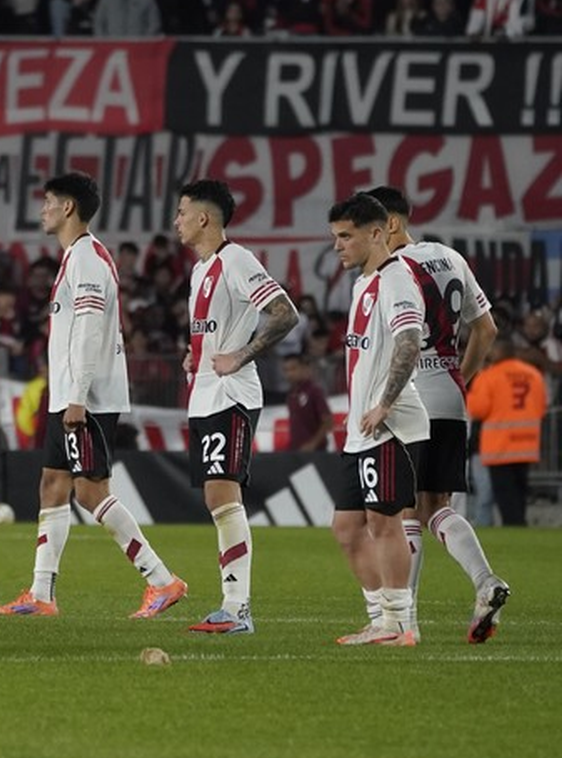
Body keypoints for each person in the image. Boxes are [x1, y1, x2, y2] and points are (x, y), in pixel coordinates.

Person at [0, 172, 186, 619]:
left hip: (87, 398)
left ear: (69, 208)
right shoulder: (76, 257)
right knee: (52, 485)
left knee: (91, 493)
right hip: (70, 396)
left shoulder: (88, 259)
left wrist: (76, 396)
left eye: (49, 202)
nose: (43, 210)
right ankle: (41, 595)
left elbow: (93, 331)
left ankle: (161, 579)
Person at [368, 185, 507, 644]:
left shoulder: (392, 270)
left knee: (406, 511)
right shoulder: (451, 257)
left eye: (372, 227)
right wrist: (460, 376)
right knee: (437, 508)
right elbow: (486, 329)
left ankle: (404, 622)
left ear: (391, 224)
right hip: (449, 393)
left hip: (410, 395)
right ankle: (486, 582)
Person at [175, 179, 298, 634]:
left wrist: (241, 354)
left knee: (224, 493)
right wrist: (199, 354)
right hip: (205, 392)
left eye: (182, 213)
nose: (177, 222)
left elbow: (285, 312)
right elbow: (217, 329)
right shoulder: (200, 270)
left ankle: (237, 608)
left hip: (231, 394)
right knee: (215, 495)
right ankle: (232, 607)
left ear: (204, 218)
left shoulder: (237, 260)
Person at [328, 192, 428, 647]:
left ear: (376, 232)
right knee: (347, 528)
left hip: (391, 425)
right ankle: (380, 619)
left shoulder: (396, 280)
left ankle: (401, 624)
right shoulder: (363, 284)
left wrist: (385, 403)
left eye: (346, 236)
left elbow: (409, 341)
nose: (338, 246)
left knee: (384, 522)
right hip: (361, 430)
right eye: (335, 237)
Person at [467, 337, 547, 528]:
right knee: (520, 491)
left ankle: (516, 526)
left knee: (506, 495)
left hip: (500, 446)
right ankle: (520, 522)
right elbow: (542, 406)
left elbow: (479, 409)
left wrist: (469, 396)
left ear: (498, 353)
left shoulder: (489, 376)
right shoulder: (533, 374)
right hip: (527, 443)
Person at [282, 353, 334, 451]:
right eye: (286, 370)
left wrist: (313, 444)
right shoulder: (291, 394)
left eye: (293, 369)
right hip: (296, 450)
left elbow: (328, 421)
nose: (289, 374)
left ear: (304, 368)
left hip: (315, 452)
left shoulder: (314, 391)